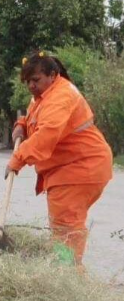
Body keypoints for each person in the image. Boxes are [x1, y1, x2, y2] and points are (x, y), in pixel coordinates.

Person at [8, 51, 113, 274]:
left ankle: (68, 279)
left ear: (52, 75)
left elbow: (47, 133)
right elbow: (34, 116)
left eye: (35, 80)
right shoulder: (46, 93)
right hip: (71, 168)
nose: (31, 86)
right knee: (63, 229)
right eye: (27, 82)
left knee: (66, 231)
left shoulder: (60, 97)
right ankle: (66, 272)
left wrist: (17, 159)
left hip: (79, 168)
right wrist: (22, 124)